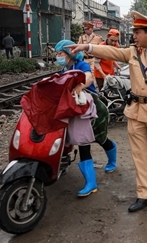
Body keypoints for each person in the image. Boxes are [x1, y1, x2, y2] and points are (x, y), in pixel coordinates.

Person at [67, 11, 147, 212]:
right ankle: (145, 194)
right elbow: (110, 53)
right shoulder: (133, 52)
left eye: (137, 32)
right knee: (139, 155)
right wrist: (87, 46)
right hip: (135, 111)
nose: (134, 35)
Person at [54, 39, 118, 197]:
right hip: (76, 111)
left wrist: (81, 86)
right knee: (82, 142)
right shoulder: (64, 70)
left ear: (70, 54)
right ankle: (91, 183)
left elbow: (88, 77)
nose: (58, 56)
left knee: (100, 139)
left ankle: (111, 162)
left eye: (60, 53)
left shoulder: (81, 65)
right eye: (57, 54)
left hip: (92, 110)